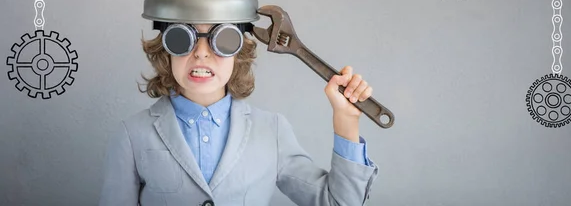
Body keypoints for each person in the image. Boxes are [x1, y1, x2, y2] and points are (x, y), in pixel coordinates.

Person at [98, 23, 379, 205]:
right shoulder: (132, 135)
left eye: (223, 39)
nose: (201, 54)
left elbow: (338, 203)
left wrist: (347, 119)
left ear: (239, 52)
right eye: (184, 38)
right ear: (166, 51)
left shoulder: (272, 131)